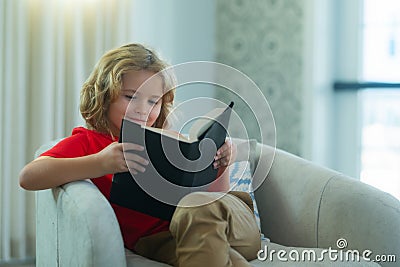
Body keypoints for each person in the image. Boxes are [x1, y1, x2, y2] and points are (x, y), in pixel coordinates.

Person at [19, 43, 261, 267]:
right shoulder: (89, 143)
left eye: (153, 101)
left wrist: (222, 165)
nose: (142, 109)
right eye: (130, 96)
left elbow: (215, 198)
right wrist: (100, 163)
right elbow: (29, 176)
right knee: (213, 253)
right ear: (104, 94)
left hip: (233, 223)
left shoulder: (170, 141)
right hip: (165, 239)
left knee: (195, 206)